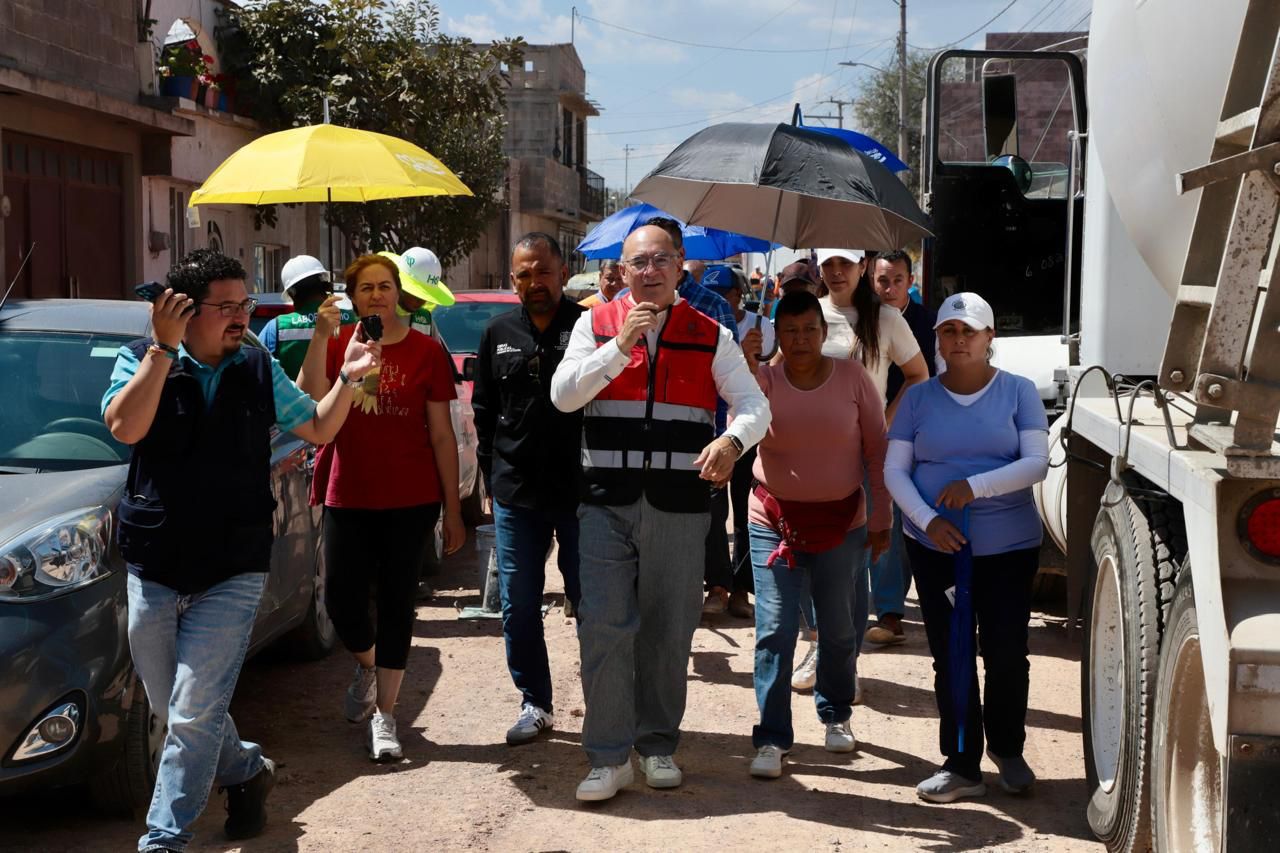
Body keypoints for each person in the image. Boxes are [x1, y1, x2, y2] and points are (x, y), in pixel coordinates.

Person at [102, 248, 380, 852]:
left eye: (244, 303)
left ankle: (164, 839)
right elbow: (125, 428)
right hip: (155, 565)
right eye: (225, 307)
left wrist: (349, 377)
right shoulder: (139, 360)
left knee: (194, 710)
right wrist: (161, 350)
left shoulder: (256, 364)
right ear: (181, 310)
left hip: (234, 564)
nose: (240, 317)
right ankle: (247, 770)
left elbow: (318, 426)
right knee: (177, 708)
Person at [550, 224, 770, 802]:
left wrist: (733, 442)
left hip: (679, 505)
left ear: (680, 268)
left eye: (661, 261)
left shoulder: (711, 333)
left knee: (670, 630)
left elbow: (753, 405)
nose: (649, 271)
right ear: (619, 271)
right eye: (638, 262)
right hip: (604, 502)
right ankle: (606, 756)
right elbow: (564, 395)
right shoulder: (593, 324)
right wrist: (618, 346)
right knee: (603, 625)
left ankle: (656, 746)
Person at [297, 253, 466, 763]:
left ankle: (385, 716)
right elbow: (308, 402)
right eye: (365, 287)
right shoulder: (339, 345)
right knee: (343, 603)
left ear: (399, 292)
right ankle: (368, 666)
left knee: (397, 605)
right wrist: (324, 338)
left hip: (410, 498)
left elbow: (442, 435)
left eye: (385, 285)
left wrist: (453, 509)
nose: (377, 295)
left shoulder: (425, 352)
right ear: (352, 297)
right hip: (347, 491)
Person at [884, 291, 1049, 803]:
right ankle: (961, 763)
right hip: (936, 548)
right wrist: (928, 520)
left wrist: (977, 488)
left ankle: (1008, 748)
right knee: (951, 656)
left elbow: (1036, 463)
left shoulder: (1019, 392)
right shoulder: (917, 398)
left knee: (1005, 653)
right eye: (949, 332)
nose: (958, 340)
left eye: (969, 332)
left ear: (989, 339)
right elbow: (895, 469)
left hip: (1007, 548)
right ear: (937, 339)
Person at [739, 290, 890, 779]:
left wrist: (882, 515)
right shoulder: (762, 380)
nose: (800, 340)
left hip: (844, 525)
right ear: (777, 336)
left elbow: (877, 450)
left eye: (809, 330)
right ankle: (772, 736)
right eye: (790, 331)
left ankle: (836, 714)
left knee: (840, 629)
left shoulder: (852, 377)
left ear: (824, 334)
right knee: (775, 632)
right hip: (773, 521)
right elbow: (737, 431)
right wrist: (744, 372)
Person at [473, 233, 585, 746]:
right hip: (516, 490)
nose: (534, 282)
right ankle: (535, 702)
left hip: (583, 490)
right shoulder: (496, 331)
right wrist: (486, 476)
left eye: (543, 271)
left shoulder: (587, 328)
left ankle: (604, 698)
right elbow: (484, 411)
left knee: (591, 600)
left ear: (562, 272)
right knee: (518, 604)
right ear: (512, 278)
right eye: (524, 274)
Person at [865, 249, 938, 646]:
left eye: (896, 280)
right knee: (884, 519)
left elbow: (931, 380)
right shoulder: (864, 320)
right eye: (882, 281)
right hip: (871, 435)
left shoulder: (930, 324)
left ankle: (926, 601)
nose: (889, 288)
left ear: (911, 280)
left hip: (918, 433)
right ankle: (890, 611)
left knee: (915, 519)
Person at [702, 264, 774, 618]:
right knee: (715, 514)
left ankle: (742, 588)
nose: (716, 302)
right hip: (717, 434)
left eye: (722, 296)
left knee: (746, 515)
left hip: (749, 436)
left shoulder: (765, 328)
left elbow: (766, 384)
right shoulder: (705, 329)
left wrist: (753, 357)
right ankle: (717, 584)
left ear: (736, 296)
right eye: (710, 295)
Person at [258, 253, 356, 379]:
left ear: (291, 293)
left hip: (294, 399)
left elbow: (255, 368)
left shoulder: (277, 328)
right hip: (346, 397)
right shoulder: (351, 319)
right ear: (325, 284)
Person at [386, 246, 456, 335]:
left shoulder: (426, 319)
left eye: (426, 295)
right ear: (401, 286)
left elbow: (435, 348)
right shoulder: (376, 313)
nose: (422, 301)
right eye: (417, 294)